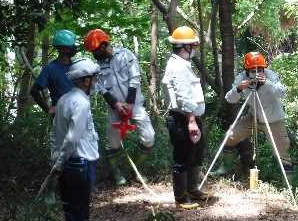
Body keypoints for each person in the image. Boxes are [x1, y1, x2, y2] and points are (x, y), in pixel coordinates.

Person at [84, 29, 155, 186]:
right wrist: (116, 104)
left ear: (103, 46)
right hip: (115, 108)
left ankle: (136, 170)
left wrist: (129, 104)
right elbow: (101, 89)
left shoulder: (125, 55)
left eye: (94, 50)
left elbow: (135, 79)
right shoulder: (96, 67)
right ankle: (115, 173)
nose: (93, 54)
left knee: (149, 137)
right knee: (113, 143)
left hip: (134, 104)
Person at [49, 58, 100, 221]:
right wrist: (60, 161)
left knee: (71, 210)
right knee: (79, 212)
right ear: (85, 81)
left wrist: (56, 159)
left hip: (70, 163)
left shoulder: (63, 99)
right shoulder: (81, 103)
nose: (95, 82)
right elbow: (71, 138)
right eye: (94, 78)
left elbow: (54, 133)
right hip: (79, 164)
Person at [162, 26, 209, 210]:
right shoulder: (178, 67)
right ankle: (181, 198)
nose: (195, 48)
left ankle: (192, 189)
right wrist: (191, 120)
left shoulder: (182, 64)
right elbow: (183, 97)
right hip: (183, 119)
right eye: (193, 45)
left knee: (196, 153)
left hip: (191, 118)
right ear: (185, 46)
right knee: (183, 156)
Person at [223, 52, 292, 176]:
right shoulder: (241, 78)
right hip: (253, 116)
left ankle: (288, 185)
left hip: (273, 119)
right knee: (230, 136)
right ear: (246, 70)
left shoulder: (271, 76)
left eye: (260, 69)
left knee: (282, 152)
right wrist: (238, 89)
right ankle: (225, 170)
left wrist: (267, 83)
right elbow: (229, 99)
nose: (256, 73)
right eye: (253, 70)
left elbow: (282, 93)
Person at [30, 29, 77, 115]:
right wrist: (47, 109)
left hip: (79, 112)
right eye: (71, 46)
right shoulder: (50, 69)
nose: (74, 48)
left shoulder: (77, 66)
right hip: (61, 116)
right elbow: (34, 91)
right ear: (62, 49)